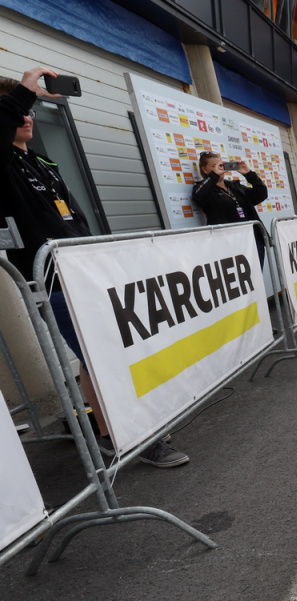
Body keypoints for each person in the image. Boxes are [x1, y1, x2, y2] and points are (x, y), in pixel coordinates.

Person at [1, 68, 187, 468]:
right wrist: (27, 87)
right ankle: (131, 437)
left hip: (81, 272)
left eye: (29, 111)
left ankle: (107, 432)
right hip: (50, 281)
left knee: (99, 356)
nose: (26, 116)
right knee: (101, 358)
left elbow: (73, 219)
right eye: (17, 110)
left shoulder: (39, 160)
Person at [192, 151, 269, 263]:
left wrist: (249, 174)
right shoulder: (202, 188)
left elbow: (261, 194)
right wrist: (214, 176)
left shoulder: (234, 186)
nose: (218, 168)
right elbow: (198, 196)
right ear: (204, 169)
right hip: (229, 244)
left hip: (252, 240)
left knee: (257, 274)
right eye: (213, 166)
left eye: (220, 165)